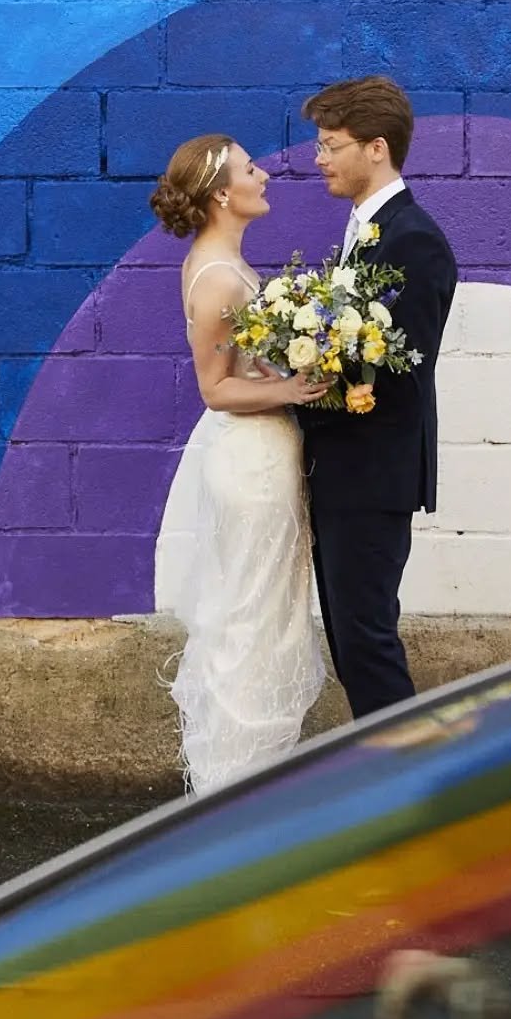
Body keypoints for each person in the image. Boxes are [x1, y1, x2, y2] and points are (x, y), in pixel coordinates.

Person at [149, 134, 327, 795]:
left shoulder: (223, 263)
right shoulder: (220, 278)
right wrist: (291, 388)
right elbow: (215, 388)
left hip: (262, 456)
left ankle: (252, 779)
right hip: (250, 463)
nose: (264, 174)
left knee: (261, 618)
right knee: (253, 624)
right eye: (251, 169)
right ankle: (236, 785)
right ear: (224, 193)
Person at [299, 77, 458, 719]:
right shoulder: (364, 232)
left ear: (376, 148)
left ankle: (419, 788)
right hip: (344, 474)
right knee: (351, 643)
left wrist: (294, 389)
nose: (319, 158)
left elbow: (400, 375)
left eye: (330, 144)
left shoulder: (411, 239)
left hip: (371, 478)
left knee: (366, 643)